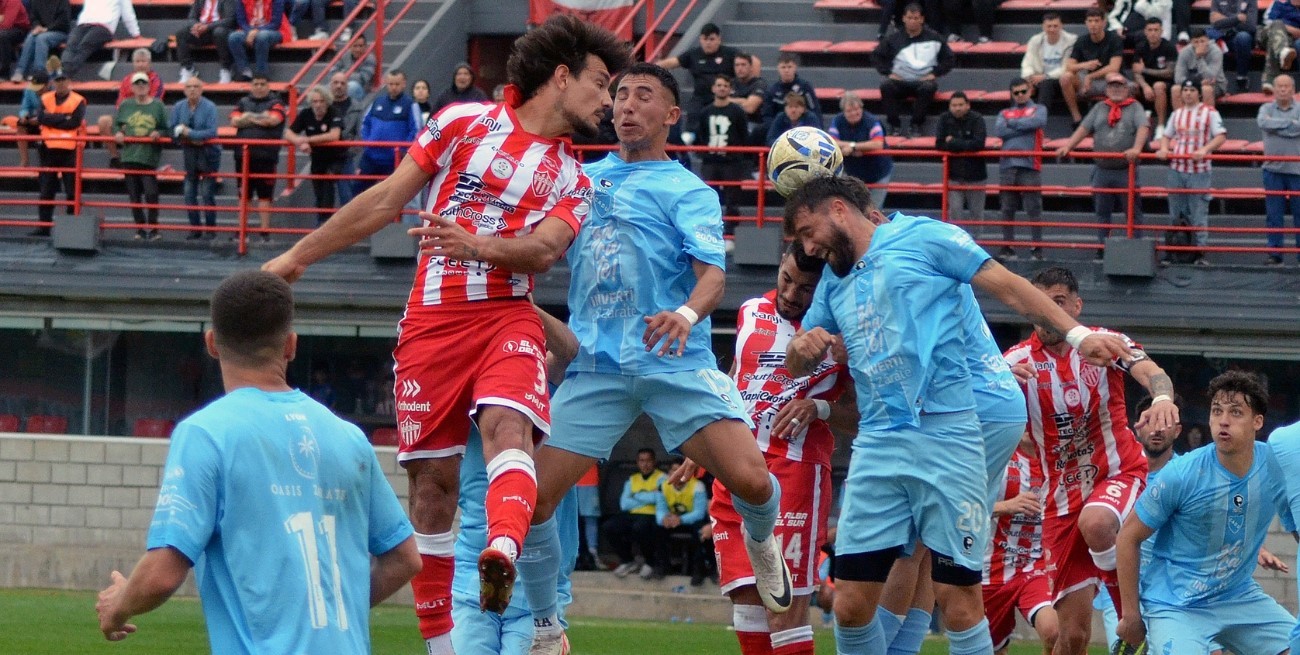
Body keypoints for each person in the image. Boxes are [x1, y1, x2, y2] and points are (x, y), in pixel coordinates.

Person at [262, 16, 633, 654]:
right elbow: (386, 199)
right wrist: (297, 258)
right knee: (431, 493)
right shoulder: (463, 122)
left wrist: (475, 245)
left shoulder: (575, 179)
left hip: (504, 318)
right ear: (563, 76)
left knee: (508, 432)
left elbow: (544, 252)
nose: (609, 101)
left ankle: (502, 549)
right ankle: (443, 647)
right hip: (430, 327)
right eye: (602, 84)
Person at [781, 176, 1133, 655]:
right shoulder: (833, 282)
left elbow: (1009, 286)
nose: (807, 248)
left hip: (951, 438)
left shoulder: (924, 237)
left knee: (960, 599)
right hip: (879, 446)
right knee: (849, 604)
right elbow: (797, 359)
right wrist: (800, 351)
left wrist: (1076, 336)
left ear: (838, 209)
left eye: (807, 232)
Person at [514, 63, 794, 655]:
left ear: (671, 116)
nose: (626, 106)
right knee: (531, 498)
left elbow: (713, 276)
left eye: (644, 96)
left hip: (674, 362)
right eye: (620, 95)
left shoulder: (691, 191)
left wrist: (687, 315)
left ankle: (763, 545)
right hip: (597, 368)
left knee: (753, 480)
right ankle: (545, 625)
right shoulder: (578, 181)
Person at [93, 270, 421, 653]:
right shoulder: (349, 438)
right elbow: (405, 559)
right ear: (291, 345)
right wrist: (329, 606)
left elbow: (163, 574)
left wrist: (118, 607)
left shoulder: (206, 433)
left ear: (212, 343)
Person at [1002, 265, 1179, 655]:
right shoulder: (1013, 363)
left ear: (1076, 306)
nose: (1049, 310)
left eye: (1059, 302)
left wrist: (1162, 398)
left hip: (1119, 472)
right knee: (1073, 637)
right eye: (1041, 302)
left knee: (1097, 522)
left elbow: (1152, 372)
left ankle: (1131, 625)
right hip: (1059, 502)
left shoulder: (1106, 344)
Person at [714, 243, 851, 655]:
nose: (792, 294)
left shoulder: (841, 335)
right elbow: (736, 379)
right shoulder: (749, 311)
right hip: (735, 465)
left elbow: (868, 415)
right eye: (787, 279)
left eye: (806, 288)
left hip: (795, 471)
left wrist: (820, 406)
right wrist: (705, 442)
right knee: (747, 603)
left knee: (784, 608)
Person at [1115, 371, 1296, 655]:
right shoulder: (1181, 474)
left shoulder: (1275, 465)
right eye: (1217, 411)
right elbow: (1127, 537)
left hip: (1237, 596)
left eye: (1236, 412)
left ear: (1257, 422)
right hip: (1175, 604)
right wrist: (1130, 616)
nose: (1224, 420)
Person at [449, 305, 583, 655]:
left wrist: (514, 300)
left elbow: (571, 352)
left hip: (539, 584)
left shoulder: (545, 386)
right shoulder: (466, 393)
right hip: (472, 573)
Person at [1055, 72, 1148, 256]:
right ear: (1106, 90)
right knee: (1102, 211)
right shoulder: (1099, 107)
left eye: (1120, 86)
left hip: (1125, 169)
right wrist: (1068, 146)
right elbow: (1084, 128)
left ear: (1127, 89)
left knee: (1132, 212)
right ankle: (1103, 248)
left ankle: (1136, 249)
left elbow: (1143, 127)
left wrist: (1136, 148)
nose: (1116, 90)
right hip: (1102, 169)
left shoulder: (1135, 107)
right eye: (1112, 86)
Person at [983, 444, 1058, 655]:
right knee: (988, 648)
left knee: (1055, 631)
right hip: (991, 568)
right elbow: (964, 504)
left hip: (1037, 565)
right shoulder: (998, 452)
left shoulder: (1057, 458)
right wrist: (1006, 506)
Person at [1156, 80, 1226, 266]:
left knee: (1198, 212)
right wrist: (1164, 148)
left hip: (1199, 170)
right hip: (1177, 168)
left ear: (1199, 93)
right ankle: (1173, 252)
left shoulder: (1210, 112)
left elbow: (1220, 136)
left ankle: (1200, 253)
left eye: (1192, 90)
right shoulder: (1177, 113)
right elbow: (1166, 135)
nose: (1188, 93)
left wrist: (1205, 149)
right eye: (1185, 90)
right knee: (1175, 213)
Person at [874, 3, 954, 137]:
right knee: (886, 86)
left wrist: (935, 73)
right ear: (904, 18)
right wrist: (888, 72)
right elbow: (876, 56)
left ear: (922, 19)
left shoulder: (934, 38)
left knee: (928, 88)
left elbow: (949, 58)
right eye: (910, 18)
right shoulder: (893, 38)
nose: (913, 21)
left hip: (923, 81)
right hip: (899, 81)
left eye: (916, 18)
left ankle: (916, 125)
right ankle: (894, 126)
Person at [994, 77, 1047, 261]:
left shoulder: (1039, 109)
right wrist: (1024, 125)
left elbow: (1038, 122)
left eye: (1023, 91)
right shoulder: (1004, 112)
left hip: (1030, 165)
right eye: (1016, 93)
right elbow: (1000, 131)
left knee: (1034, 208)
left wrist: (1013, 124)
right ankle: (1007, 247)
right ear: (1012, 94)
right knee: (1007, 208)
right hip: (1007, 166)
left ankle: (1037, 248)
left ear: (1030, 91)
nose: (1020, 95)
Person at [231, 74, 286, 242]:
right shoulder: (242, 102)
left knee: (265, 196)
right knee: (244, 196)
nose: (259, 87)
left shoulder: (277, 102)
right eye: (256, 84)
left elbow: (273, 121)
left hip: (267, 156)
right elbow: (235, 122)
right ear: (251, 86)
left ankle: (265, 234)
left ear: (268, 86)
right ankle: (242, 233)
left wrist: (247, 118)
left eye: (263, 84)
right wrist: (260, 117)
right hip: (242, 155)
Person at [114, 71, 169, 241]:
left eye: (143, 84)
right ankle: (139, 228)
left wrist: (158, 132)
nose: (140, 87)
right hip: (129, 155)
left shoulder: (158, 106)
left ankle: (153, 228)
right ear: (131, 87)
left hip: (148, 156)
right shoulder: (125, 105)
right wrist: (118, 134)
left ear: (149, 86)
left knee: (151, 193)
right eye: (137, 84)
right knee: (134, 195)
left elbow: (166, 128)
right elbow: (117, 125)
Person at [33, 71, 85, 237]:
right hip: (48, 150)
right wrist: (63, 118)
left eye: (63, 80)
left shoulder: (78, 100)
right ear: (53, 82)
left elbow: (74, 123)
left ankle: (71, 228)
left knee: (71, 191)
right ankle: (44, 227)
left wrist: (52, 119)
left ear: (69, 81)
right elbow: (41, 118)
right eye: (57, 80)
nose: (60, 83)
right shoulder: (45, 98)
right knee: (46, 190)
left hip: (70, 150)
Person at [353, 69, 420, 197]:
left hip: (394, 159)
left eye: (397, 84)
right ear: (386, 83)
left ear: (404, 84)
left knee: (390, 197)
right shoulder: (377, 101)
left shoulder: (411, 104)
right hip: (370, 157)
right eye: (391, 84)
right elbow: (364, 123)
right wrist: (368, 142)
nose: (393, 87)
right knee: (358, 192)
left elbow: (416, 131)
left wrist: (402, 150)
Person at [603, 449, 668, 579]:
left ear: (654, 461)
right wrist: (649, 497)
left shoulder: (662, 478)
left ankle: (649, 562)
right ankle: (628, 560)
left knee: (640, 528)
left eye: (648, 460)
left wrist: (636, 496)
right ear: (637, 463)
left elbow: (660, 499)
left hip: (652, 514)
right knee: (608, 526)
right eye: (642, 461)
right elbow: (624, 504)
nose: (645, 464)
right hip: (632, 513)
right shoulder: (633, 479)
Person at [657, 22, 739, 123]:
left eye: (712, 39)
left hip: (723, 96)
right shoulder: (694, 54)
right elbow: (672, 62)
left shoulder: (730, 53)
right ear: (700, 39)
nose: (708, 43)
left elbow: (751, 62)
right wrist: (650, 67)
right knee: (692, 115)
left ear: (719, 39)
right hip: (700, 97)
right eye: (705, 39)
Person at [97, 49, 165, 169]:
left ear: (149, 63)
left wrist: (133, 121)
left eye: (143, 61)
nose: (140, 64)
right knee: (104, 121)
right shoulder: (127, 80)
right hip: (127, 117)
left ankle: (141, 161)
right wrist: (124, 120)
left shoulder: (156, 80)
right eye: (137, 61)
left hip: (148, 117)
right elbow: (120, 103)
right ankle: (115, 158)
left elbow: (154, 104)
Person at [286, 85, 344, 223]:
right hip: (317, 159)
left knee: (330, 192)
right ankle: (321, 226)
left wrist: (308, 140)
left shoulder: (334, 112)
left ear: (327, 101)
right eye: (315, 102)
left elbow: (334, 135)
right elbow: (288, 133)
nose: (318, 105)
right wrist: (299, 142)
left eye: (321, 101)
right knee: (318, 195)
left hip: (336, 158)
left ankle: (328, 225)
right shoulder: (306, 113)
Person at [173, 77, 223, 239]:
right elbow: (171, 129)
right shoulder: (178, 106)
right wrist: (184, 137)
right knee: (189, 194)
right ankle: (195, 229)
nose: (192, 89)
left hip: (209, 154)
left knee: (207, 194)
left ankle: (210, 230)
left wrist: (189, 133)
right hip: (189, 153)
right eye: (189, 86)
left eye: (196, 86)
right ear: (184, 90)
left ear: (201, 89)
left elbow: (212, 132)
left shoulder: (210, 107)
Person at [1259, 74, 1300, 266]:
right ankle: (1275, 254)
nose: (1283, 90)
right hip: (1272, 170)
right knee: (1273, 215)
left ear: (1293, 90)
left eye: (1287, 87)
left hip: (1297, 170)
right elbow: (1263, 123)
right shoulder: (1265, 108)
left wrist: (1276, 125)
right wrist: (1291, 124)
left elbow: (1271, 125)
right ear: (1274, 90)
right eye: (1280, 87)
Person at [696, 74, 749, 222]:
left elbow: (743, 135)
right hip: (710, 161)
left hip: (731, 162)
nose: (722, 88)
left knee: (732, 199)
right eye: (719, 85)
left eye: (725, 86)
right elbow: (701, 135)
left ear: (730, 89)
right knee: (708, 198)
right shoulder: (705, 112)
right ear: (713, 88)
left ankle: (731, 233)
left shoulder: (737, 111)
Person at [934, 91, 988, 238]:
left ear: (968, 105)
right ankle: (957, 246)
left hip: (976, 176)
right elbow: (939, 144)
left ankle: (978, 247)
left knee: (976, 215)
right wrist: (964, 144)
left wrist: (952, 142)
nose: (957, 108)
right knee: (955, 214)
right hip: (954, 175)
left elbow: (978, 144)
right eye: (954, 105)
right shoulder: (944, 119)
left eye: (960, 105)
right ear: (949, 106)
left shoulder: (977, 119)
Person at [1059, 8, 1124, 127]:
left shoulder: (1114, 39)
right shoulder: (1082, 40)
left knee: (1111, 76)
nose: (1093, 24)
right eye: (1090, 21)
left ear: (1104, 23)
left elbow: (1114, 67)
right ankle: (1077, 119)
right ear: (1086, 23)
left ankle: (1113, 117)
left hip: (1108, 80)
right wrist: (1084, 65)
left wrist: (1090, 76)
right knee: (1065, 77)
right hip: (1087, 81)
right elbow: (1069, 66)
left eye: (1096, 21)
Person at [829, 92, 893, 209]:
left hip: (878, 174)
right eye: (849, 111)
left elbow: (878, 144)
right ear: (843, 112)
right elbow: (831, 142)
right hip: (852, 174)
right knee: (854, 209)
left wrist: (853, 147)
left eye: (856, 109)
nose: (854, 113)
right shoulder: (837, 121)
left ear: (861, 108)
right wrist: (860, 147)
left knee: (873, 210)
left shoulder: (872, 121)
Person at [655, 457, 712, 583]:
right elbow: (660, 509)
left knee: (700, 532)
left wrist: (680, 519)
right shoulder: (663, 486)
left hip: (691, 520)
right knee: (657, 529)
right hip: (673, 521)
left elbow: (699, 512)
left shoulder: (698, 486)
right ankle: (663, 566)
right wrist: (663, 519)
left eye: (679, 470)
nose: (676, 474)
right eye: (673, 471)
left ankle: (698, 570)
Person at [61, 0, 140, 78]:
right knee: (71, 45)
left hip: (104, 27)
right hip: (83, 24)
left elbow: (128, 14)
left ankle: (65, 75)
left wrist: (135, 34)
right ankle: (63, 73)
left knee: (84, 46)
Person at [1020, 12, 1077, 112]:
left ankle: (1040, 118)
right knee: (1017, 84)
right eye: (1049, 26)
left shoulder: (1071, 40)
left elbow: (1066, 67)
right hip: (1038, 78)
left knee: (1046, 83)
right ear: (1043, 27)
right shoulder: (1035, 40)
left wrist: (1045, 76)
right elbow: (1027, 63)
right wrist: (1029, 78)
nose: (1052, 29)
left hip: (1060, 80)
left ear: (1061, 26)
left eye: (1055, 26)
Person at [1132, 17, 1176, 139]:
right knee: (1131, 87)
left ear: (1161, 31)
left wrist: (1145, 70)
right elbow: (1136, 71)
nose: (1153, 33)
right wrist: (1145, 86)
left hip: (1165, 85)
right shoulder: (1140, 47)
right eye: (1150, 30)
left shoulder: (1169, 47)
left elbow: (1170, 73)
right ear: (1145, 31)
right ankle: (1133, 125)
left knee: (1158, 86)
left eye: (1156, 30)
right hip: (1146, 84)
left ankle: (1161, 127)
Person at [760, 53, 819, 139]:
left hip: (803, 128)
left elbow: (815, 110)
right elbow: (767, 115)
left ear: (795, 68)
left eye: (789, 67)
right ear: (778, 69)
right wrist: (776, 128)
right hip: (779, 128)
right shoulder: (772, 90)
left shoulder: (805, 87)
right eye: (783, 67)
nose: (786, 70)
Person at [177, 0, 237, 84]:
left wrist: (207, 27)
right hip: (201, 31)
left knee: (219, 32)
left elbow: (229, 20)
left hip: (219, 30)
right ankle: (188, 69)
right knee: (181, 33)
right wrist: (195, 25)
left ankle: (226, 69)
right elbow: (191, 17)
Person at [228, 0, 290, 80]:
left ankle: (261, 74)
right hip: (249, 30)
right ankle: (244, 71)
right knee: (233, 37)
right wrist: (250, 31)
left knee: (261, 36)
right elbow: (241, 22)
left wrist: (256, 31)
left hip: (275, 31)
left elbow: (275, 24)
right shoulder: (241, 1)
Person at [328, 71, 364, 206]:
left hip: (346, 159)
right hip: (325, 158)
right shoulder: (323, 105)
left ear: (347, 86)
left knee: (347, 198)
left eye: (342, 83)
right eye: (335, 83)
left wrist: (348, 151)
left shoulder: (357, 107)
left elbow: (360, 135)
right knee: (324, 200)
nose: (339, 86)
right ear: (330, 85)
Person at [1207, 0, 1257, 93]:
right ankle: (1213, 81)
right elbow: (1215, 23)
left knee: (1243, 37)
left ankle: (1242, 77)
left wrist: (1224, 19)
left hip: (1239, 37)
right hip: (1221, 36)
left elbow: (1250, 26)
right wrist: (1237, 19)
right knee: (1205, 38)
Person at [10, 0, 67, 82]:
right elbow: (33, 18)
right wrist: (37, 26)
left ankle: (39, 72)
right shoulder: (35, 1)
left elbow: (63, 22)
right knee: (31, 36)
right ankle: (20, 72)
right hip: (41, 30)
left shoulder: (62, 2)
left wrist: (46, 29)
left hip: (59, 31)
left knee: (41, 38)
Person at [1174, 28, 1226, 110]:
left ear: (1208, 40)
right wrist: (1197, 83)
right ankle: (1180, 120)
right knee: (1175, 89)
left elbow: (1210, 77)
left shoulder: (1216, 51)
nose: (1200, 45)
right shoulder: (1184, 52)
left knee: (1206, 89)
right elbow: (1178, 78)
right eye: (1196, 42)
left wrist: (1199, 58)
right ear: (1191, 42)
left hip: (1216, 85)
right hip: (1192, 84)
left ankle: (1208, 121)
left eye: (1202, 41)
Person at [1261, 0, 1300, 95]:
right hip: (1267, 34)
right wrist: (1288, 28)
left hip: (1290, 40)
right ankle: (1283, 52)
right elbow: (1268, 22)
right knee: (1277, 25)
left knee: (1275, 42)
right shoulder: (1279, 3)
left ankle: (1269, 82)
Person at [327, 33, 377, 103]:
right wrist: (346, 76)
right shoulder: (344, 55)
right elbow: (332, 73)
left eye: (361, 46)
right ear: (350, 46)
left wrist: (342, 74)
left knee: (352, 86)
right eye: (355, 46)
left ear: (365, 46)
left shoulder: (370, 58)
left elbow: (362, 78)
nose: (358, 49)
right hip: (343, 84)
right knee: (325, 89)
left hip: (362, 90)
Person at [730, 52, 767, 139]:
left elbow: (750, 108)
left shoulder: (759, 84)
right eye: (737, 65)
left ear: (750, 67)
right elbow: (719, 102)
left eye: (743, 65)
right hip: (730, 121)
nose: (740, 68)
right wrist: (743, 101)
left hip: (752, 122)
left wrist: (728, 101)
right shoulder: (730, 83)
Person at [1107, 0, 1171, 48]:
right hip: (1122, 31)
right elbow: (1113, 16)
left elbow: (1155, 15)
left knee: (1144, 35)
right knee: (1108, 35)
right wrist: (1118, 28)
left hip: (1145, 33)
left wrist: (1141, 4)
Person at [16, 71, 47, 169]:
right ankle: (24, 161)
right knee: (20, 124)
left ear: (47, 85)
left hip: (49, 121)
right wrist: (24, 116)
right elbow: (25, 107)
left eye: (40, 88)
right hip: (34, 119)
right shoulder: (29, 90)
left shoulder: (55, 92)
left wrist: (41, 119)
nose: (37, 91)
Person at [0, 0, 29, 80]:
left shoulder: (13, 1)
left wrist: (3, 19)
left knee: (2, 36)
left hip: (20, 29)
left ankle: (4, 74)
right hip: (4, 30)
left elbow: (7, 24)